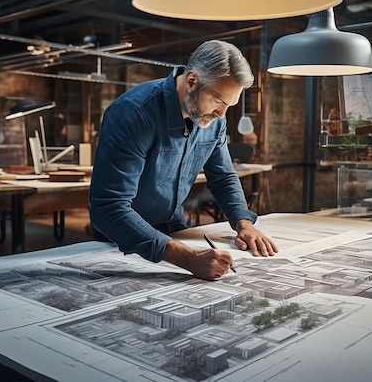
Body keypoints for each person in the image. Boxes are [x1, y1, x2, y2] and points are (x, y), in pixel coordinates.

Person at [89, 39, 278, 281]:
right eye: (218, 101)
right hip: (122, 240)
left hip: (176, 229)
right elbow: (109, 208)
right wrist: (187, 259)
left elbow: (223, 176)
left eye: (229, 105)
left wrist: (244, 223)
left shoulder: (214, 120)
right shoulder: (133, 113)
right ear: (191, 81)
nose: (222, 115)